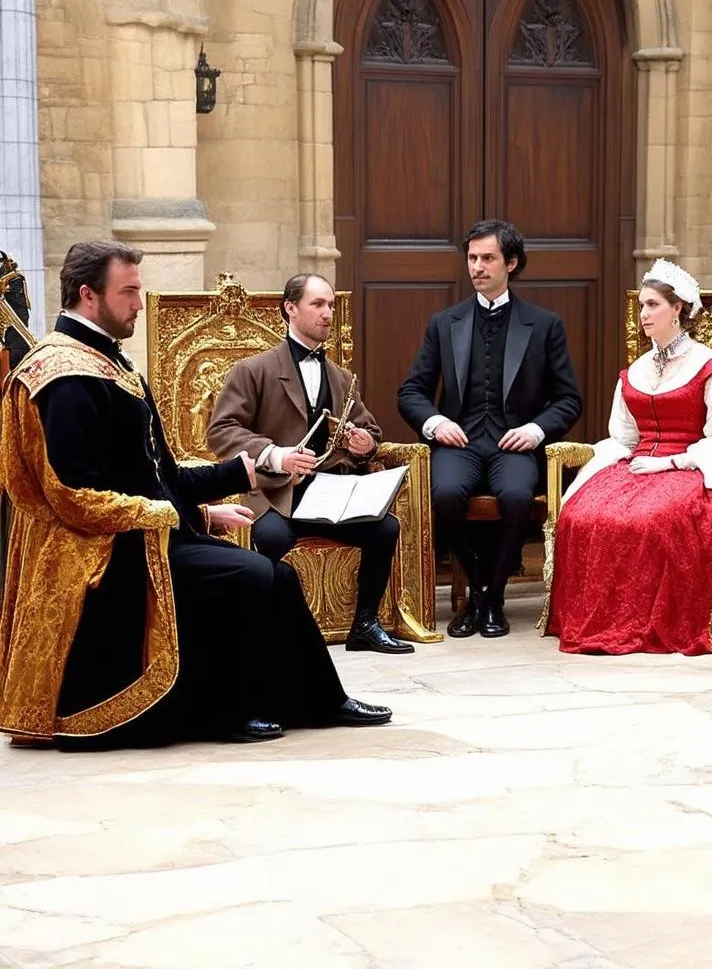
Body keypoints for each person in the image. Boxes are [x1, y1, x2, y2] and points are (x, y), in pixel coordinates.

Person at [0, 242, 393, 750]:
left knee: (277, 574)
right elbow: (73, 495)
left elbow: (159, 475)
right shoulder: (62, 375)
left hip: (146, 530)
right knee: (249, 574)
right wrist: (167, 513)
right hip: (99, 551)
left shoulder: (111, 366)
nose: (140, 303)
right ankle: (224, 710)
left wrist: (216, 496)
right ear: (87, 295)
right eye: (130, 292)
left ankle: (316, 700)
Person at [545, 259, 712, 654]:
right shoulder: (636, 368)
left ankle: (643, 624)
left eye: (653, 305)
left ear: (679, 309)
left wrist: (671, 462)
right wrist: (611, 465)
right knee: (582, 512)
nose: (644, 314)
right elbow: (622, 435)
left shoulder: (711, 369)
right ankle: (597, 621)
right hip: (636, 463)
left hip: (690, 467)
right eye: (642, 306)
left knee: (651, 519)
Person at [207, 272, 412, 655]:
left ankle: (365, 625)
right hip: (276, 492)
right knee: (271, 538)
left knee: (385, 529)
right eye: (317, 304)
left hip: (332, 492)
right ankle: (268, 633)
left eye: (331, 305)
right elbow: (221, 431)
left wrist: (365, 444)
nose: (327, 314)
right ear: (290, 309)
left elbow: (369, 429)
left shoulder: (341, 376)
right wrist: (275, 455)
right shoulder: (253, 370)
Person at [398, 219, 582, 638]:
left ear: (511, 263)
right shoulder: (444, 322)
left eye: (487, 258)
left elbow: (569, 399)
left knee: (517, 497)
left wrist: (535, 430)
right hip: (459, 442)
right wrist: (435, 422)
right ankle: (479, 588)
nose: (477, 267)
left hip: (513, 445)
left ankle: (492, 595)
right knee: (443, 492)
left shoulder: (544, 324)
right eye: (472, 258)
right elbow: (411, 391)